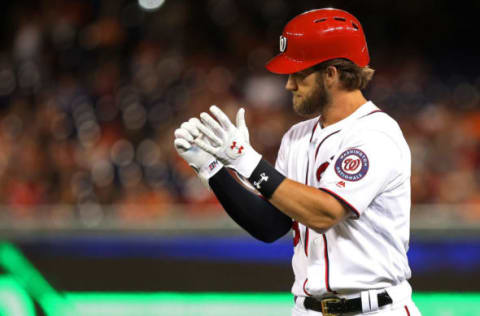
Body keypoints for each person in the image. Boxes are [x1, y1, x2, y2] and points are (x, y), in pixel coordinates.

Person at [174, 8, 421, 316]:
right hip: (308, 309)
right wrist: (212, 169)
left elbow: (324, 213)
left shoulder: (375, 134)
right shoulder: (297, 136)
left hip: (374, 308)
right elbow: (270, 225)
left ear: (331, 73)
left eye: (299, 73)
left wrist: (248, 161)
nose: (290, 84)